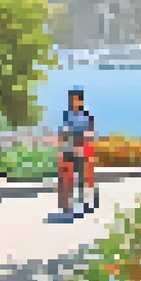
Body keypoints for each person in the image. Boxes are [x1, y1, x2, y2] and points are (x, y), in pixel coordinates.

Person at [57, 87, 97, 216]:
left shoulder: (86, 115)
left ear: (81, 101)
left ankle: (86, 203)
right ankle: (68, 205)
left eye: (76, 100)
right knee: (68, 179)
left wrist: (83, 143)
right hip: (69, 148)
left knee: (83, 179)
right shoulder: (67, 114)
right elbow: (64, 131)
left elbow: (90, 132)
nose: (74, 102)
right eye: (72, 100)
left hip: (83, 149)